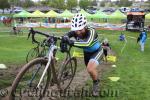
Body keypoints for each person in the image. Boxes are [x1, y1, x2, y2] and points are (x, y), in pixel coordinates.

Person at [62, 13, 103, 96]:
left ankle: (96, 83)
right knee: (90, 71)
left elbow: (87, 43)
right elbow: (66, 35)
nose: (78, 32)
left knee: (90, 69)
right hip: (87, 53)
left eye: (80, 30)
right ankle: (95, 78)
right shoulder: (76, 31)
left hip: (97, 51)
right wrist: (65, 38)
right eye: (76, 30)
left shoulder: (92, 31)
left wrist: (71, 42)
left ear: (85, 26)